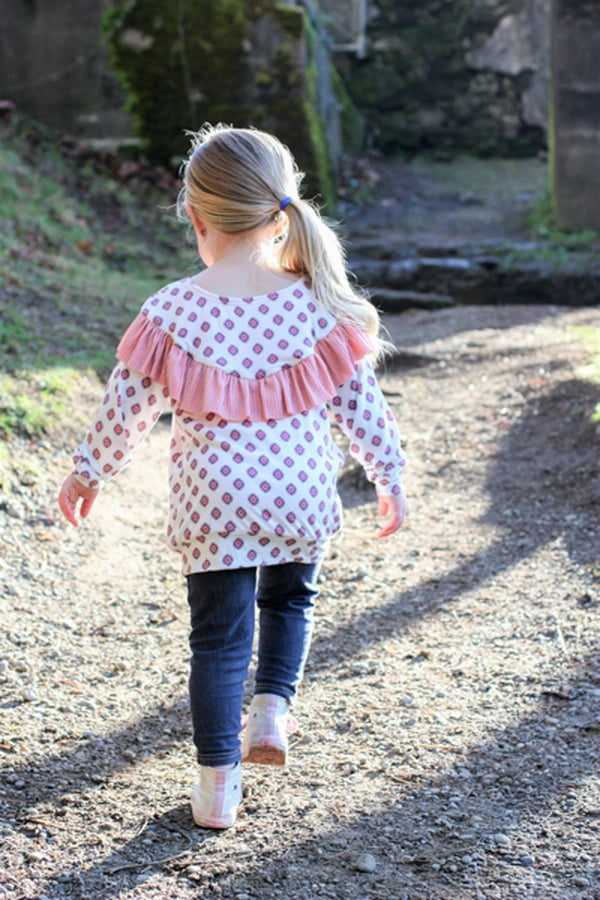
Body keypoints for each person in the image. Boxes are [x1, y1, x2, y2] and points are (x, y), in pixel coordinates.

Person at [58, 124, 407, 830]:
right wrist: (388, 474)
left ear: (196, 216)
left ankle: (217, 789)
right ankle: (273, 710)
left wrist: (88, 472)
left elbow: (125, 407)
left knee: (217, 641)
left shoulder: (172, 310)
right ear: (282, 214)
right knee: (291, 602)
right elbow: (360, 407)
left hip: (213, 502)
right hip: (299, 496)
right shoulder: (318, 305)